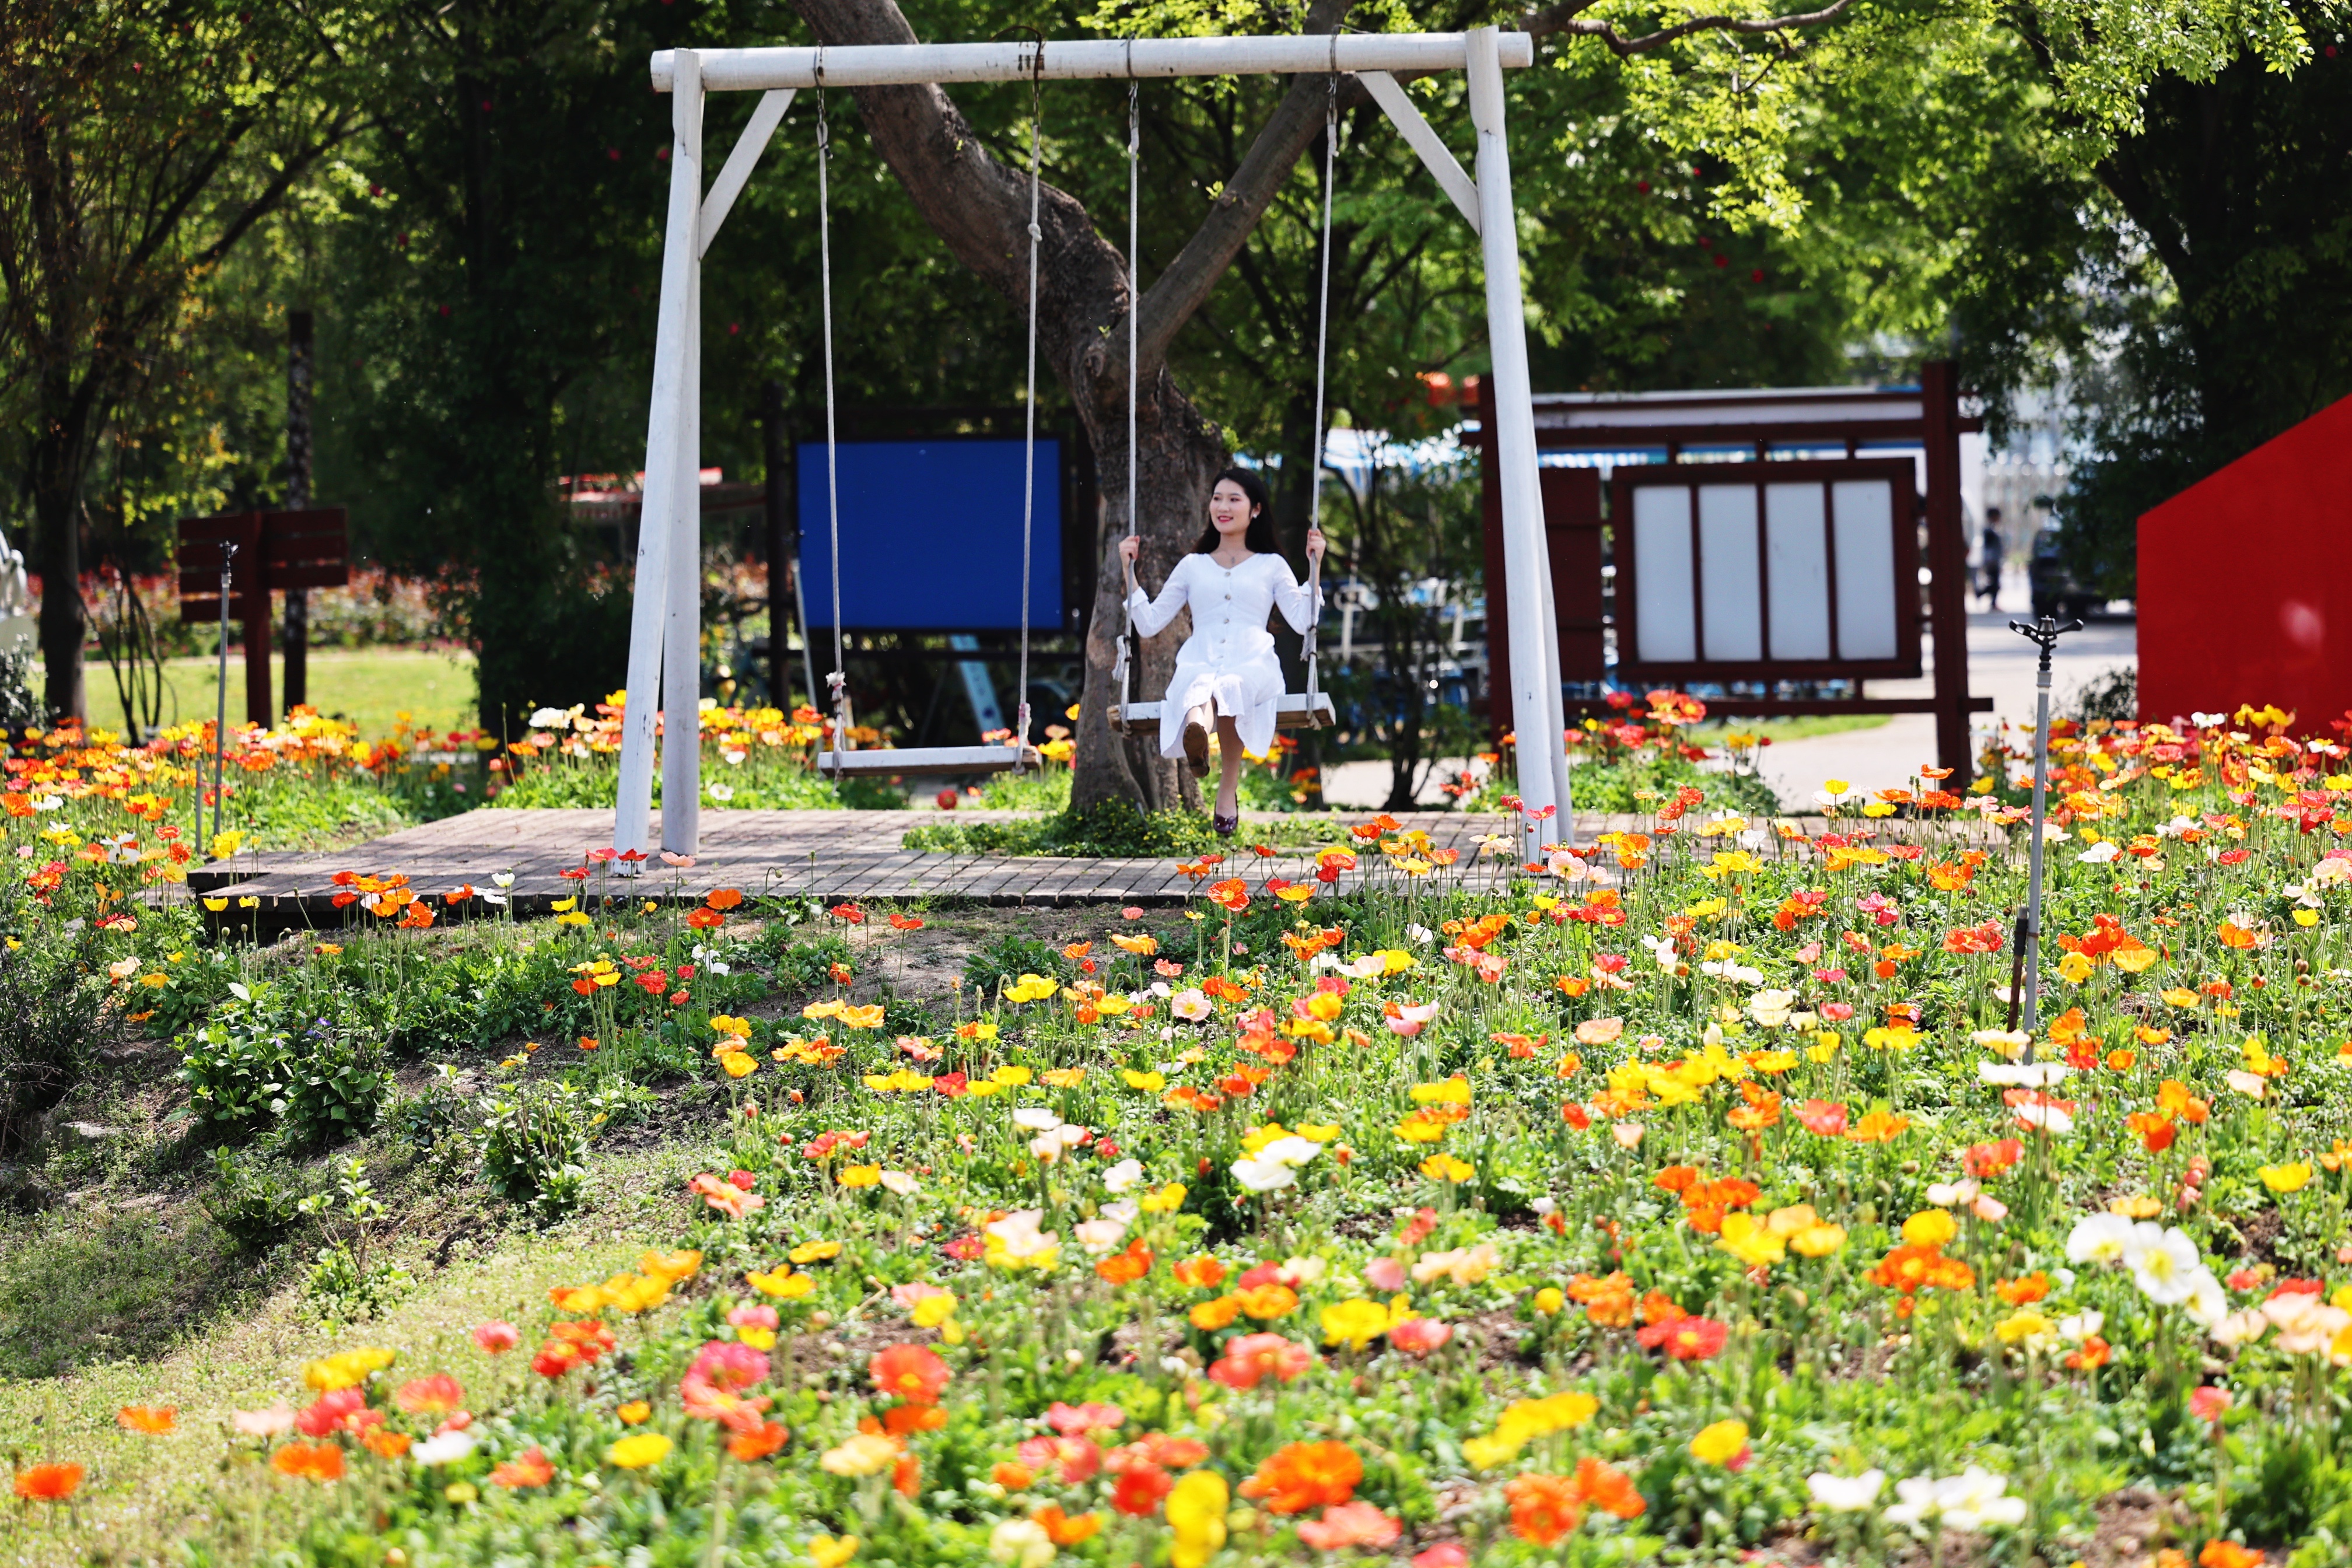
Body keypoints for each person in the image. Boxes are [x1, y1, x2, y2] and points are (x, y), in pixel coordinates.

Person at [1119, 468, 1325, 837]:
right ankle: (1198, 737)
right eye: (1217, 498)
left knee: (1233, 682)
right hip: (1202, 656)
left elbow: (1301, 621)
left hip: (1254, 661)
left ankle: (1221, 776)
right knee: (1202, 681)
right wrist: (1128, 571)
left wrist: (1316, 565)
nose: (1223, 506)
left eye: (1234, 499)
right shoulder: (1193, 566)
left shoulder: (1271, 565)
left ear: (1256, 510)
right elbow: (1148, 624)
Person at [1979, 507, 2004, 610]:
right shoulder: (1989, 530)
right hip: (1992, 561)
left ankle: (1991, 601)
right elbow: (1989, 549)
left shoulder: (1993, 529)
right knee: (1994, 583)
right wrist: (1990, 561)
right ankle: (1980, 594)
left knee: (1995, 583)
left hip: (1995, 560)